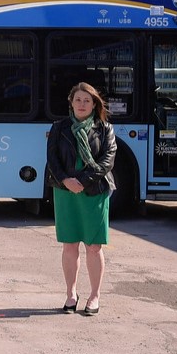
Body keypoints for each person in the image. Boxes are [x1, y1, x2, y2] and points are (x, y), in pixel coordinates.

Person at [46, 82, 118, 316]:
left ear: (94, 103)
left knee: (93, 246)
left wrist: (84, 181)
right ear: (71, 102)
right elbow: (52, 160)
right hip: (66, 191)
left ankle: (95, 296)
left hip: (94, 192)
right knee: (69, 245)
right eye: (78, 99)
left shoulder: (105, 129)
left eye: (87, 100)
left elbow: (108, 161)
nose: (82, 104)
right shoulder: (59, 127)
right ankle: (71, 293)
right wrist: (66, 181)